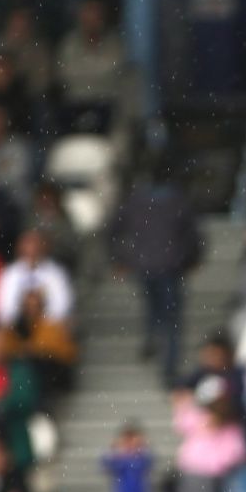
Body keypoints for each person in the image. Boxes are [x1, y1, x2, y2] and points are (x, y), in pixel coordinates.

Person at [108, 166, 200, 388]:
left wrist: (121, 258)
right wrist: (191, 259)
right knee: (171, 318)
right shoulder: (177, 200)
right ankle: (168, 367)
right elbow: (193, 234)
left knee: (155, 308)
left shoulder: (136, 200)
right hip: (167, 266)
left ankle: (152, 339)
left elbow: (112, 230)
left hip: (147, 264)